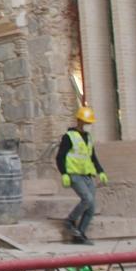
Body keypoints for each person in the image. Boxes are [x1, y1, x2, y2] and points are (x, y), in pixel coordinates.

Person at [55, 105, 109, 245]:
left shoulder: (89, 138)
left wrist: (100, 171)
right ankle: (70, 220)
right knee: (87, 198)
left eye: (90, 123)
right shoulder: (69, 137)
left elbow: (92, 156)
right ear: (79, 121)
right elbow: (60, 157)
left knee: (91, 208)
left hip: (87, 175)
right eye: (86, 123)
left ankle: (79, 235)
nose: (88, 125)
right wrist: (64, 174)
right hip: (74, 174)